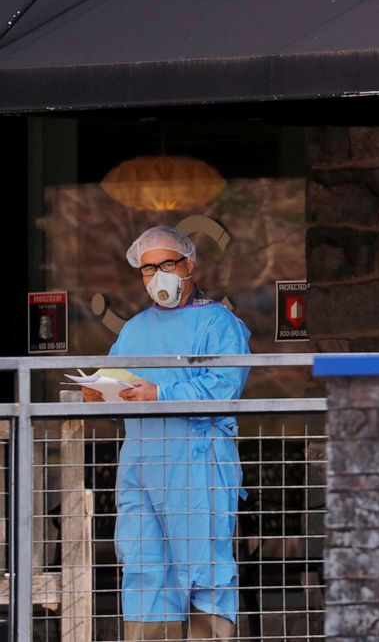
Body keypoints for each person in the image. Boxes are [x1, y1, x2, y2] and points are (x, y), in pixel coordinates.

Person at [83, 226, 250, 640]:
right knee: (143, 564)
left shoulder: (218, 322)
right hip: (141, 465)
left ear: (189, 265)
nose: (158, 275)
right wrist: (96, 392)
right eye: (148, 268)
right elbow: (115, 379)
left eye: (167, 264)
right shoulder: (134, 330)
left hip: (196, 464)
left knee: (202, 565)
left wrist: (161, 392)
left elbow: (225, 385)